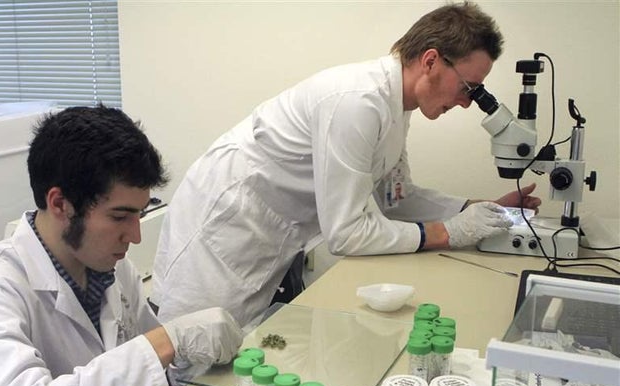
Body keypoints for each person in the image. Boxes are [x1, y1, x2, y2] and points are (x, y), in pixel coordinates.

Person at [150, 1, 542, 327]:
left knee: (238, 350)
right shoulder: (357, 102)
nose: (468, 102)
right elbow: (347, 234)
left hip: (268, 235)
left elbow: (393, 197)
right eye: (468, 87)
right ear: (431, 61)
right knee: (193, 352)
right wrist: (448, 232)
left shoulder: (394, 107)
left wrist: (472, 210)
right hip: (225, 229)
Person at [0, 105, 244, 386]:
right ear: (60, 204)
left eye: (139, 213)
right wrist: (167, 341)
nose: (135, 236)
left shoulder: (112, 267)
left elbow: (150, 372)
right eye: (119, 217)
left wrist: (190, 355)